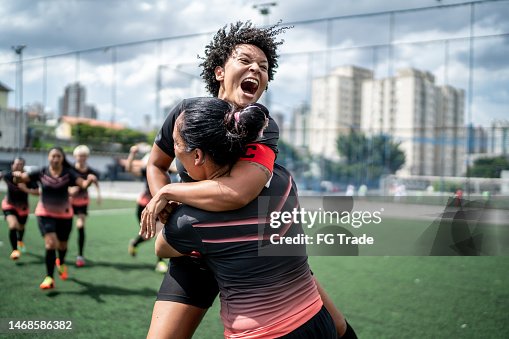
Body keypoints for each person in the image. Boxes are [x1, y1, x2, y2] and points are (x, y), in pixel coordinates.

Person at [142, 21, 355, 338]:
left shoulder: (260, 126)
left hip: (255, 249)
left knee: (335, 326)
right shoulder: (186, 115)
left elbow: (238, 192)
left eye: (264, 66)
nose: (256, 68)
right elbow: (156, 164)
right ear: (218, 72)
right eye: (245, 60)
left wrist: (171, 193)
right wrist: (167, 209)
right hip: (197, 247)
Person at [148, 98, 335, 337]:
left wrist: (170, 194)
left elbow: (161, 248)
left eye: (176, 144)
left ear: (197, 156)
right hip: (318, 322)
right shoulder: (283, 179)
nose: (173, 150)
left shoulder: (189, 221)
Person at [13, 147, 97, 289]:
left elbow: (82, 184)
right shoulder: (41, 172)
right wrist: (16, 176)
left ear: (62, 158)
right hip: (45, 214)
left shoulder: (68, 173)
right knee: (51, 244)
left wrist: (88, 181)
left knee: (62, 246)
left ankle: (61, 263)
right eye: (53, 156)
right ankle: (49, 277)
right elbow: (21, 178)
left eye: (58, 156)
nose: (56, 159)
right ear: (49, 157)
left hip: (64, 215)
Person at [125, 144, 168, 273]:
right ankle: (135, 243)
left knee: (161, 233)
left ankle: (160, 262)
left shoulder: (167, 169)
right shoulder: (148, 169)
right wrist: (132, 154)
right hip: (144, 206)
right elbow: (129, 169)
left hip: (160, 205)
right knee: (149, 234)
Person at [1, 157, 39, 260]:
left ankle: (20, 241)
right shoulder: (8, 175)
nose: (18, 166)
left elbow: (38, 192)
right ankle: (14, 250)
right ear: (12, 165)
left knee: (21, 227)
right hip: (9, 205)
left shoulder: (28, 178)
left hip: (23, 207)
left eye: (21, 164)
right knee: (13, 226)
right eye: (16, 164)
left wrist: (26, 189)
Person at [70, 145, 101, 267]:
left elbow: (95, 182)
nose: (81, 158)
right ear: (75, 156)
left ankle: (80, 255)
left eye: (84, 156)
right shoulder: (70, 170)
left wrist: (99, 195)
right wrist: (71, 189)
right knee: (64, 229)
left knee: (80, 226)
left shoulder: (90, 171)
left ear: (87, 157)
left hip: (82, 202)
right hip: (68, 203)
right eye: (79, 155)